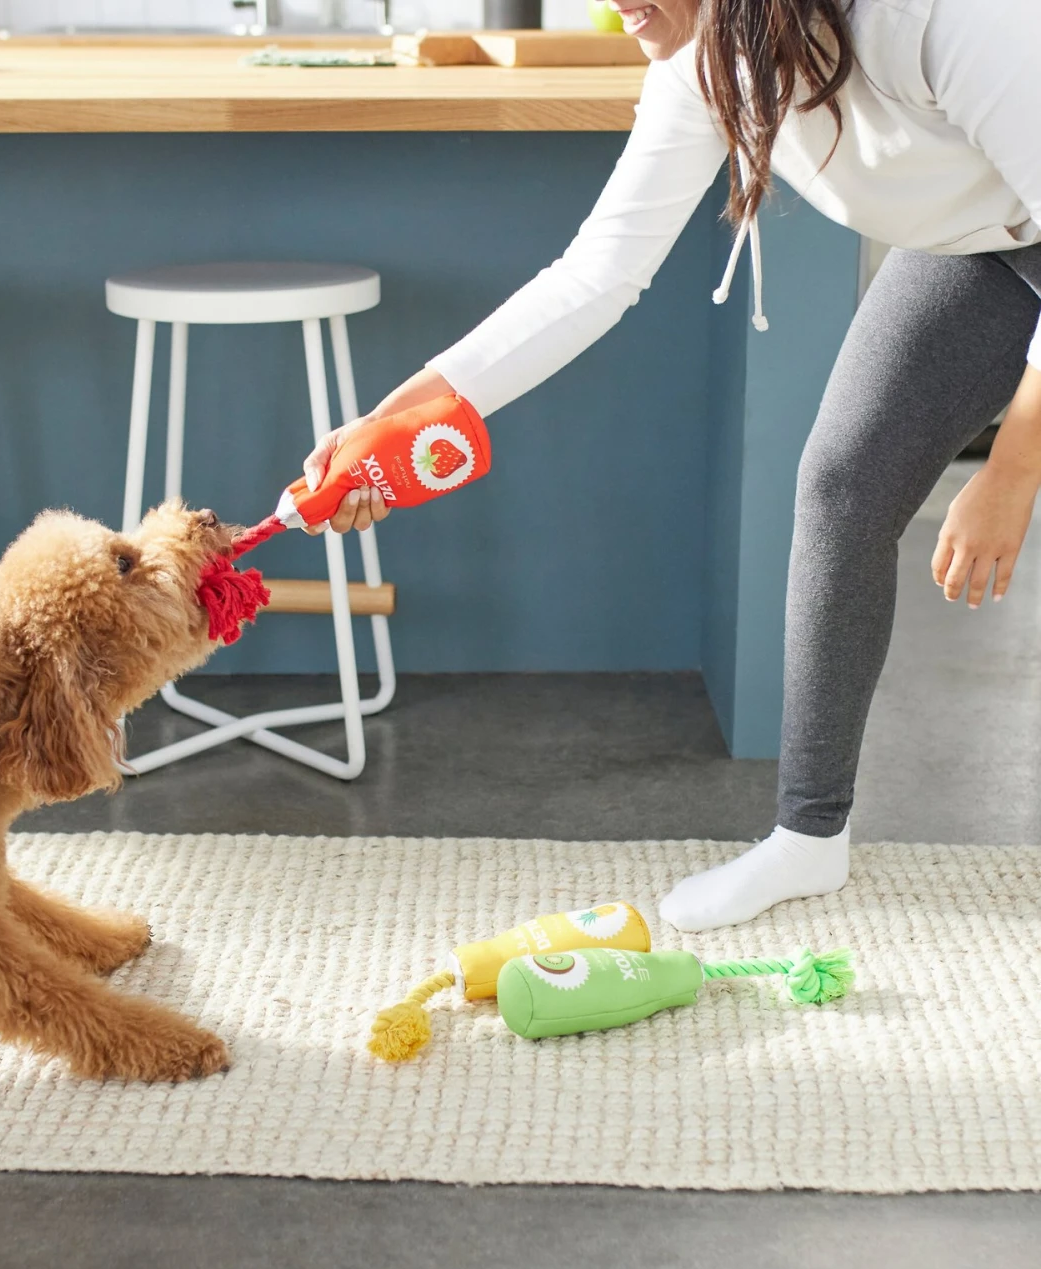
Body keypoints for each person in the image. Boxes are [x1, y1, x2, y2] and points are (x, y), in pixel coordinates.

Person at [303, 0, 1041, 930]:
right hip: (983, 244)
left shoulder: (931, 18)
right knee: (841, 489)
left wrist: (1011, 471)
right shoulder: (704, 56)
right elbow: (597, 275)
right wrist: (394, 421)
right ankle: (809, 839)